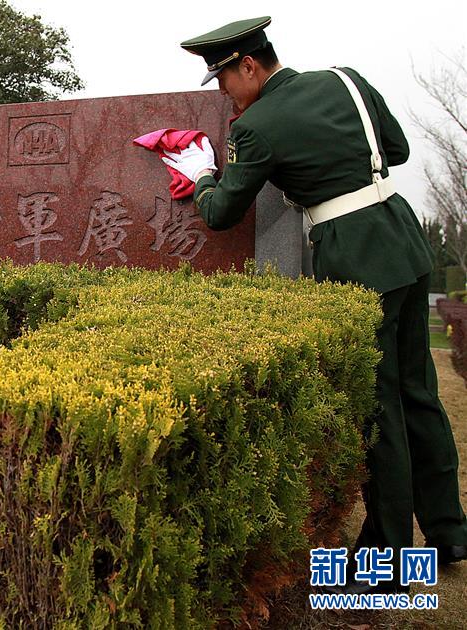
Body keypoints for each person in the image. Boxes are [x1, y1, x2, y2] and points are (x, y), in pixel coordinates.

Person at [169, 16, 467, 592]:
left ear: (249, 66)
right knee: (418, 391)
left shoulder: (256, 127)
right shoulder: (346, 79)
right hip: (404, 239)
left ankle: (390, 557)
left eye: (223, 78)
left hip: (354, 257)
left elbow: (222, 211)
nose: (224, 92)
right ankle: (449, 530)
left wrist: (204, 176)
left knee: (380, 408)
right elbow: (397, 151)